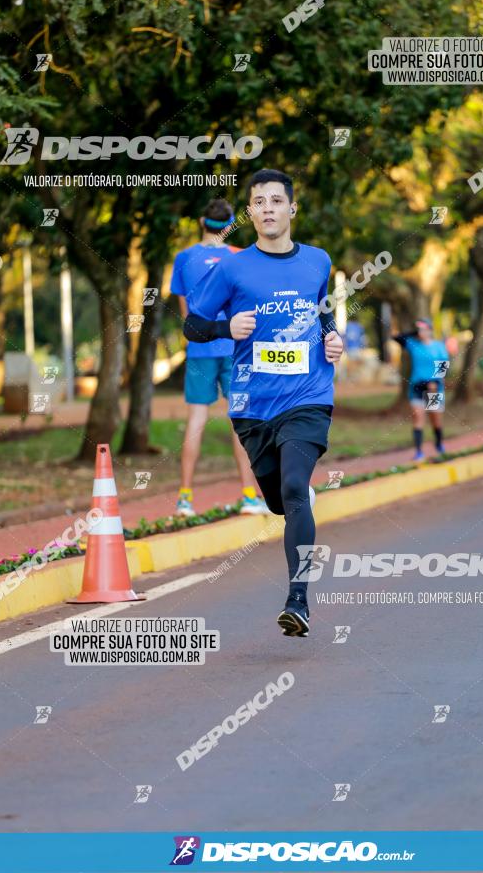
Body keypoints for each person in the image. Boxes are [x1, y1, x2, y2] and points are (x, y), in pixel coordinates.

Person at [183, 169, 344, 637]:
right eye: (260, 202)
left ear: (293, 209)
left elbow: (321, 310)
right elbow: (193, 325)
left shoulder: (317, 260)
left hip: (308, 396)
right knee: (278, 500)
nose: (269, 208)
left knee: (295, 488)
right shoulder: (231, 268)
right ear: (249, 212)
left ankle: (299, 600)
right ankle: (294, 501)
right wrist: (223, 330)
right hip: (252, 404)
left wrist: (332, 338)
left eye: (277, 200)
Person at [170, 198, 268, 517]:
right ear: (228, 227)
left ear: (202, 222)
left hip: (200, 349)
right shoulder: (238, 257)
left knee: (196, 421)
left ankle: (184, 500)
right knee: (239, 421)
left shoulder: (183, 259)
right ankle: (249, 497)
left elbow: (189, 318)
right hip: (234, 348)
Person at [393, 318, 449, 461]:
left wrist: (435, 382)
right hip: (417, 387)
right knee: (418, 418)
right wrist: (414, 332)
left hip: (434, 388)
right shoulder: (413, 344)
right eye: (419, 329)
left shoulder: (438, 346)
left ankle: (439, 444)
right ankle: (419, 451)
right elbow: (396, 338)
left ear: (430, 330)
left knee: (435, 419)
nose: (421, 332)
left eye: (424, 329)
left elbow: (443, 367)